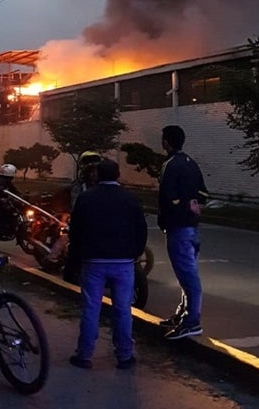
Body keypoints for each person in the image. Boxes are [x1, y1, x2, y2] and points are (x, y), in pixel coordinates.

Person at [66, 158, 147, 371]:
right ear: (118, 175)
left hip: (93, 261)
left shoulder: (86, 198)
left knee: (91, 308)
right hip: (123, 262)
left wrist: (75, 259)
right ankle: (124, 355)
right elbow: (141, 230)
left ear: (97, 175)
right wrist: (134, 253)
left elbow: (75, 232)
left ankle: (84, 355)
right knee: (122, 309)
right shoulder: (130, 199)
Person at [157, 125, 209, 340]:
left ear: (166, 142)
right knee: (186, 274)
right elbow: (203, 193)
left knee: (188, 276)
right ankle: (183, 314)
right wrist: (193, 207)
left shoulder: (170, 166)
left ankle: (192, 321)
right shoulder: (191, 163)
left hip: (178, 228)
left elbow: (167, 198)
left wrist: (167, 218)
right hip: (192, 227)